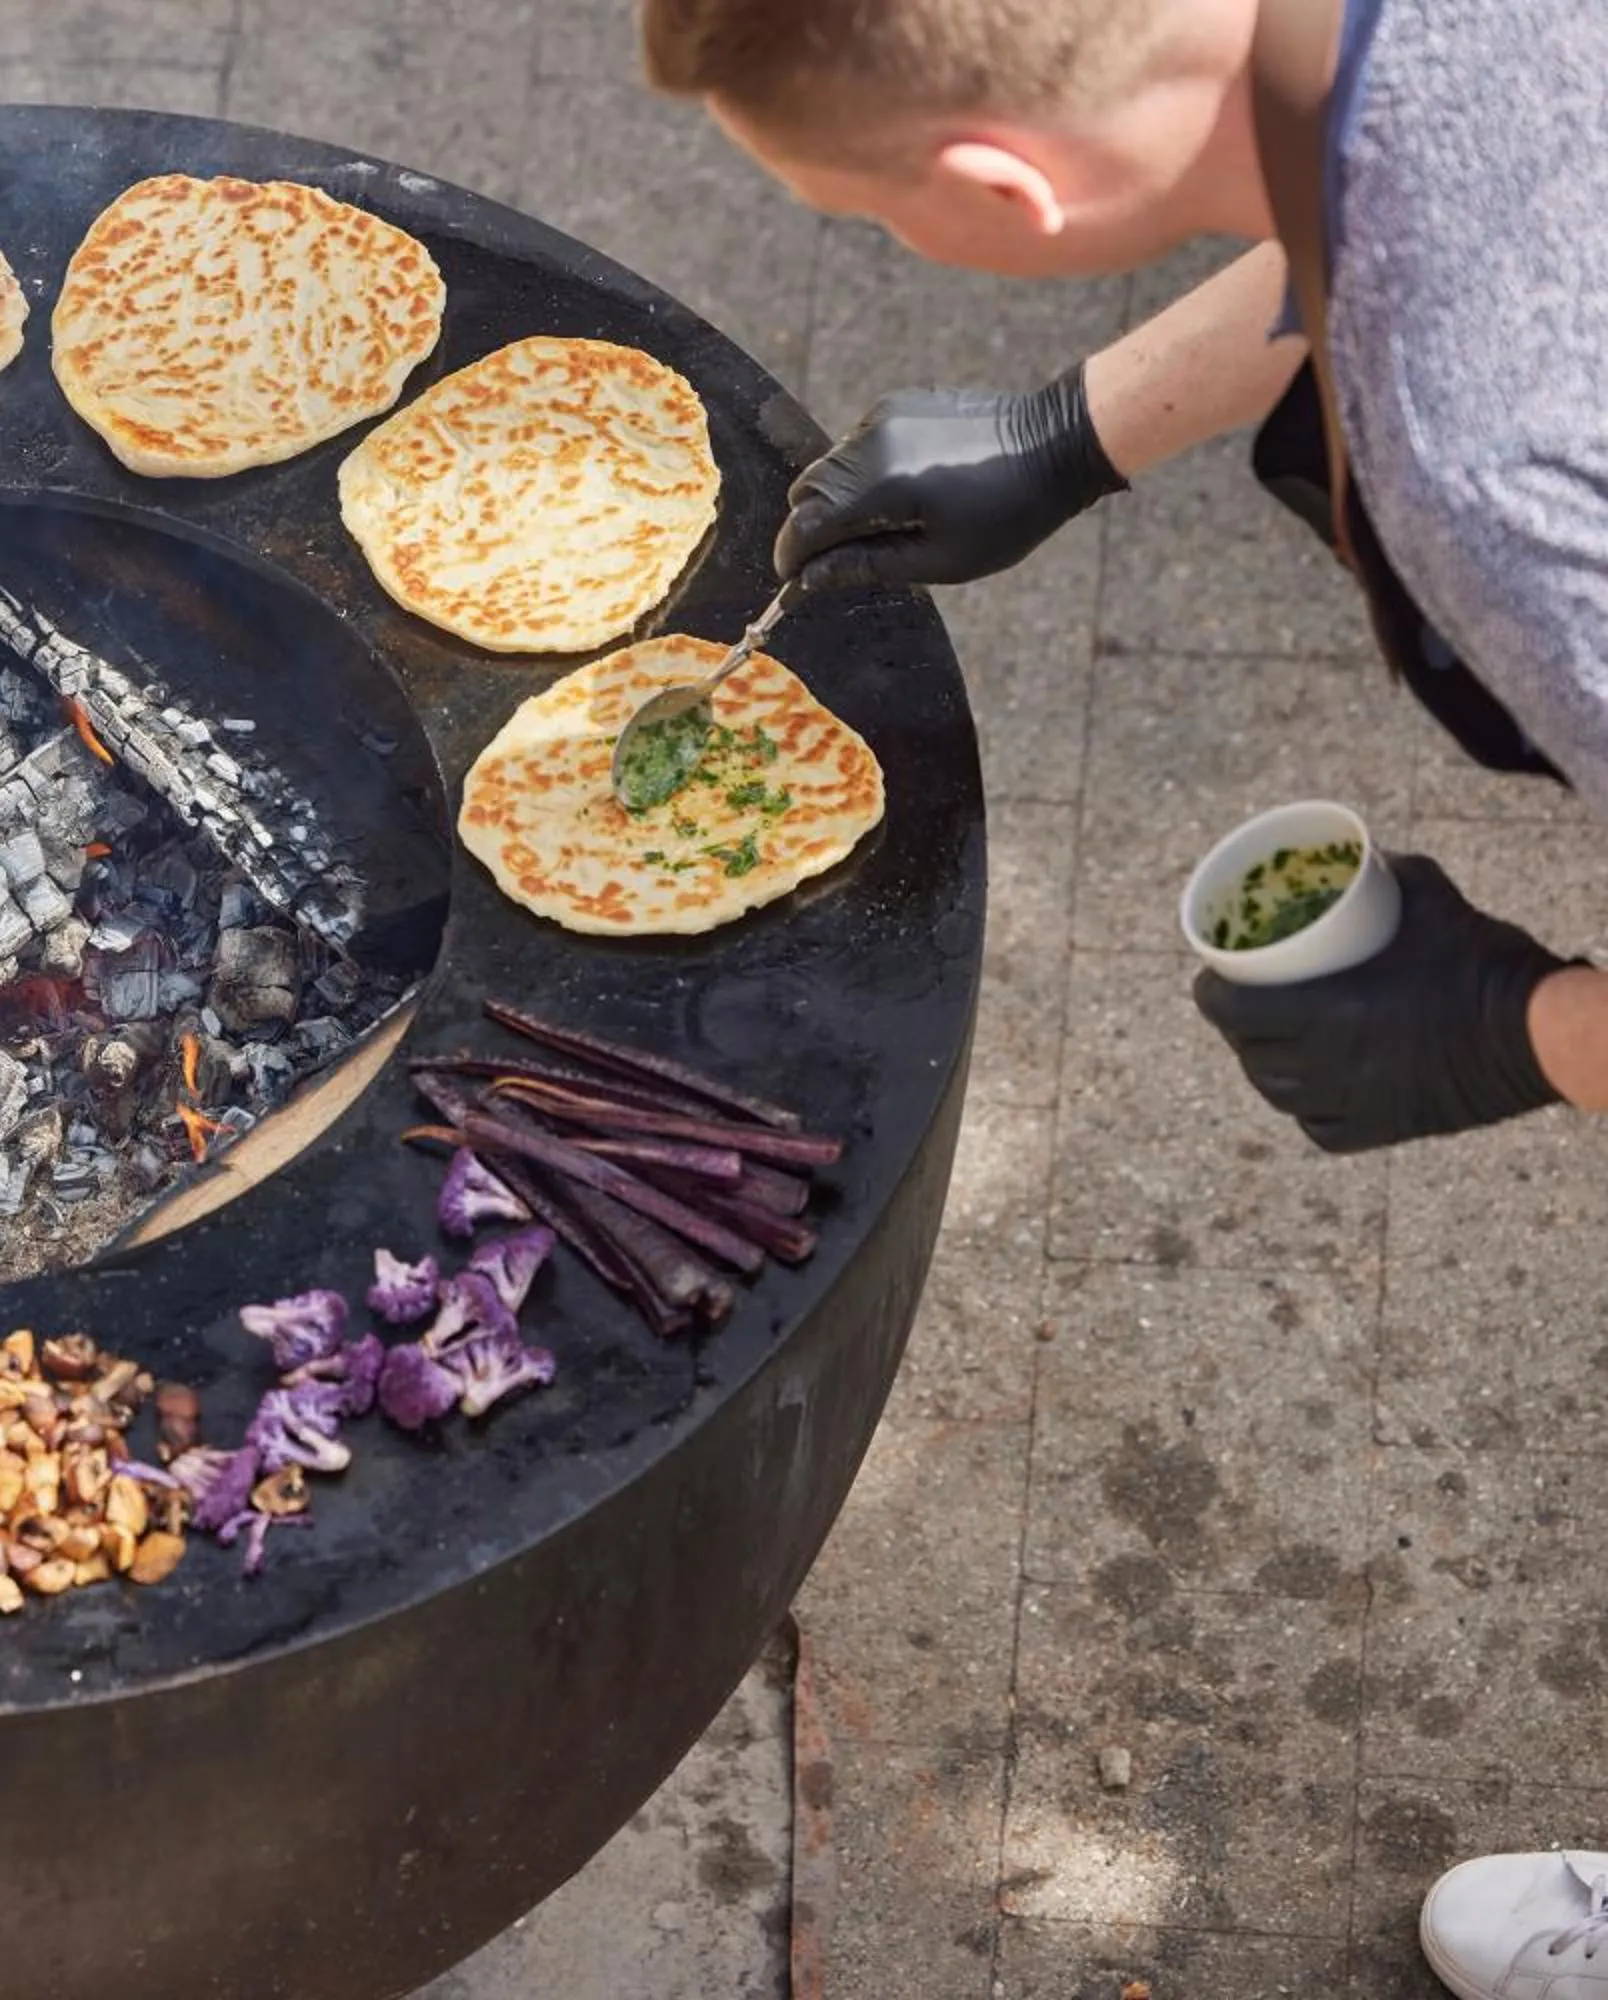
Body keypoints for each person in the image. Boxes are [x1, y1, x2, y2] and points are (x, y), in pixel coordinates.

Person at [633, 0, 1607, 1990]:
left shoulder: (1496, 469)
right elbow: (1421, 186)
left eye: (873, 222)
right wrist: (1083, 430)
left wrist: (1523, 1030)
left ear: (1010, 187)